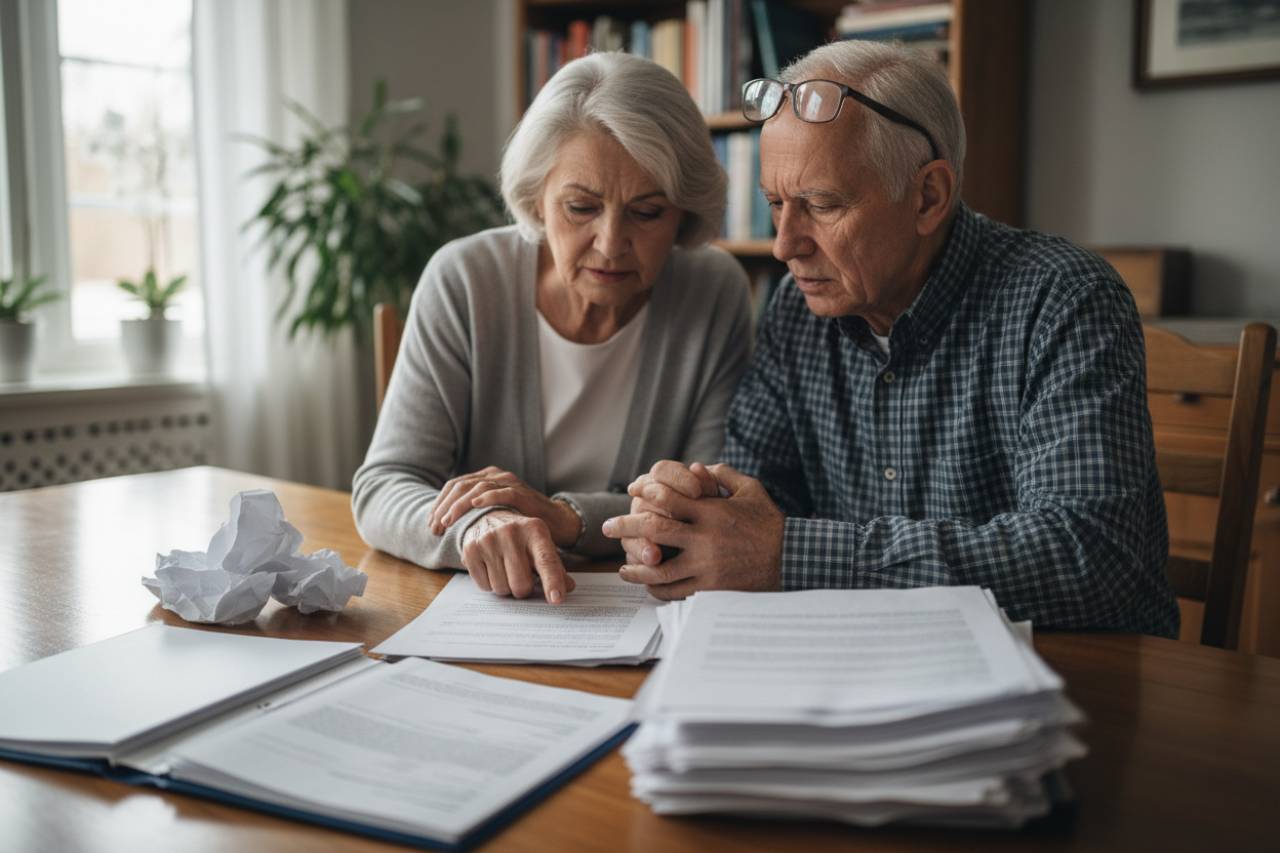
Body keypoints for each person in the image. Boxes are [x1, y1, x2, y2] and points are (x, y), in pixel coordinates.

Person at [602, 40, 1180, 636]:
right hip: (864, 657)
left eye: (821, 204)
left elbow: (1088, 557)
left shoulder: (1063, 299)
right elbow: (757, 507)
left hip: (1073, 669)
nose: (784, 245)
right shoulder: (799, 310)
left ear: (929, 197)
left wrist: (789, 553)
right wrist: (688, 522)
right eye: (776, 204)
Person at [352, 52, 752, 605]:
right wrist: (476, 526)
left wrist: (566, 519)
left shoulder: (714, 291)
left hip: (643, 609)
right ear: (537, 198)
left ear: (684, 213)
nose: (610, 244)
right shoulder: (466, 280)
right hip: (491, 607)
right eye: (581, 207)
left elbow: (704, 506)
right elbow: (384, 486)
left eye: (647, 212)